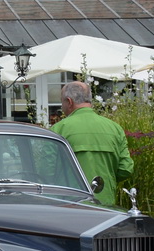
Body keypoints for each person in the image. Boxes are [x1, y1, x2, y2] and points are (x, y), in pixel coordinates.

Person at [54, 81, 133, 209]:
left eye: (62, 102)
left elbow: (46, 169)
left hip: (69, 204)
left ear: (69, 101)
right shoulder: (115, 129)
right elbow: (125, 169)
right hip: (105, 204)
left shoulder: (58, 129)